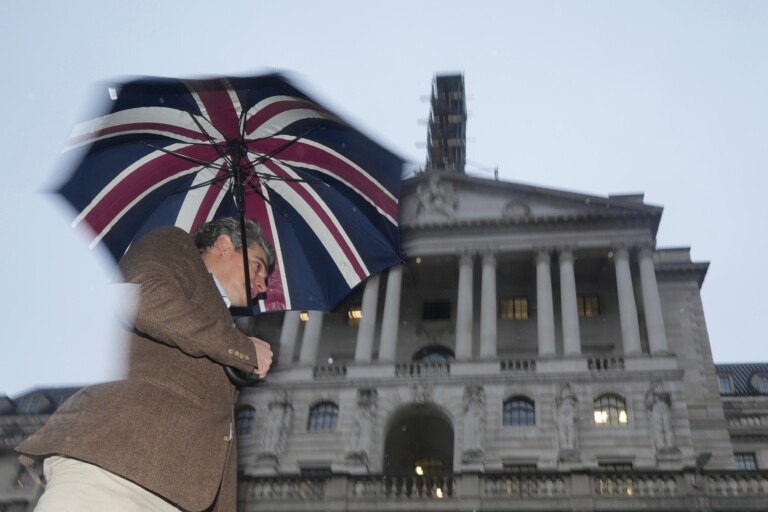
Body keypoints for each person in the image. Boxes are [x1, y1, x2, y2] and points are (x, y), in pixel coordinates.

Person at [16, 217, 275, 512]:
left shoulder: (219, 320)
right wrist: (241, 348)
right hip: (113, 468)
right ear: (224, 245)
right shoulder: (176, 244)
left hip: (173, 490)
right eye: (257, 266)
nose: (263, 285)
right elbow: (139, 296)